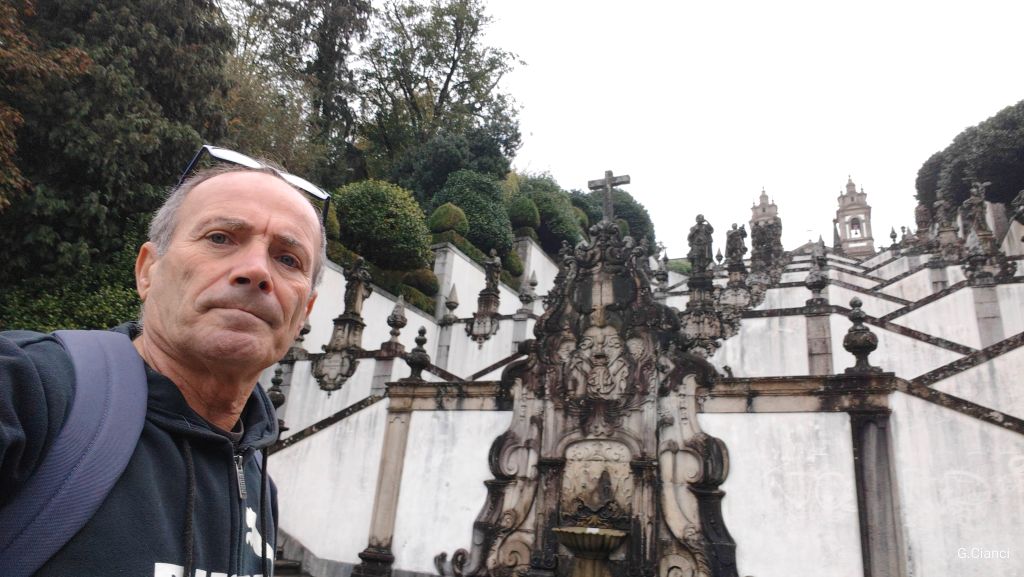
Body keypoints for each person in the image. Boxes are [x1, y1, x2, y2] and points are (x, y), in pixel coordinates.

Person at [0, 150, 326, 577]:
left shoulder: (259, 484)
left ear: (304, 313)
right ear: (147, 271)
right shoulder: (29, 388)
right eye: (220, 238)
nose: (255, 270)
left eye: (288, 259)